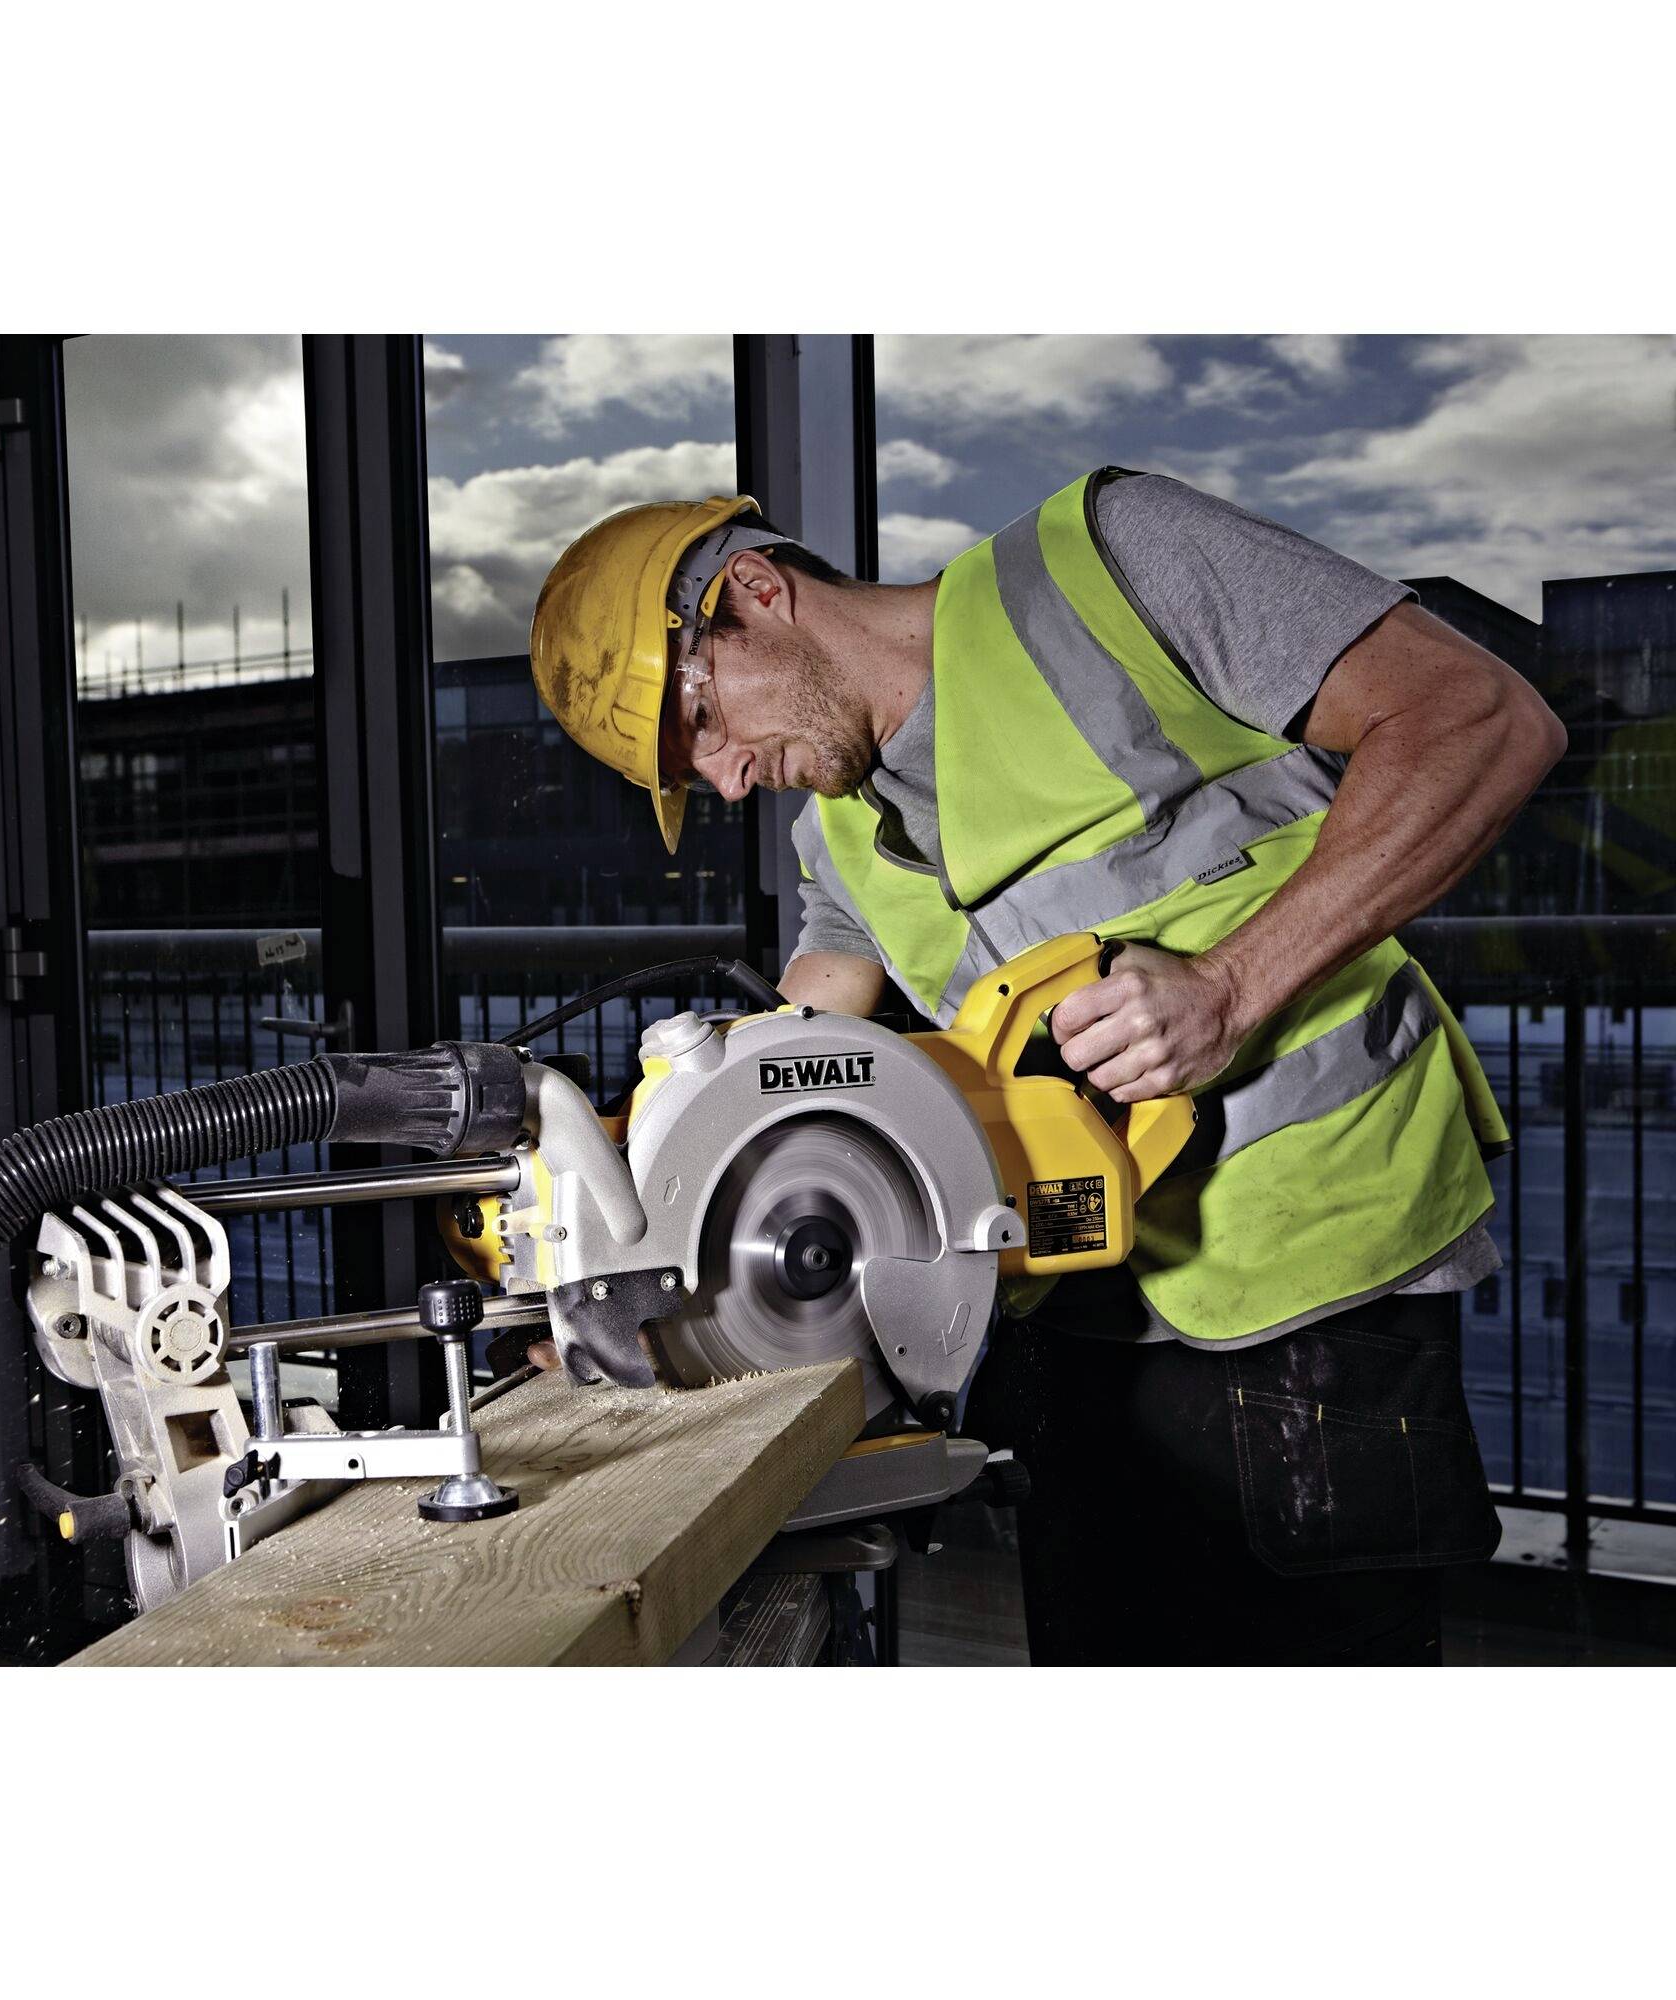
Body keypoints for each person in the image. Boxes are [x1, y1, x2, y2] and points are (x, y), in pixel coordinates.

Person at [526, 468, 1566, 1665]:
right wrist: (618, 1245)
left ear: (755, 593)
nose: (721, 780)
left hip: (1319, 1279)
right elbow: (779, 1074)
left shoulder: (1106, 566)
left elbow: (1477, 718)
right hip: (1076, 1319)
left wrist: (1229, 985)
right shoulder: (841, 833)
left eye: (697, 725)